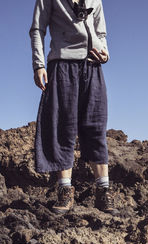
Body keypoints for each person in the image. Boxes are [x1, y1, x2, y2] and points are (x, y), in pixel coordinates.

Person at [29, 0, 118, 215]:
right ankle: (65, 191)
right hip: (61, 65)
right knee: (62, 127)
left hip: (93, 66)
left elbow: (101, 33)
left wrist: (105, 53)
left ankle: (103, 191)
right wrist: (39, 64)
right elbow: (37, 29)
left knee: (96, 126)